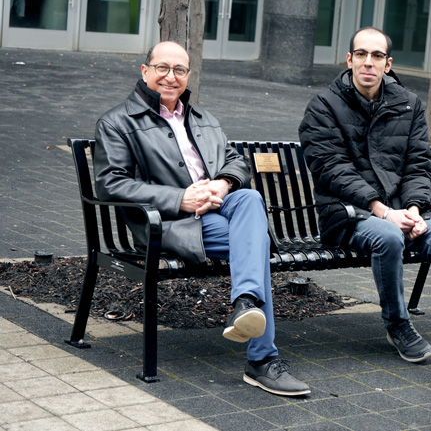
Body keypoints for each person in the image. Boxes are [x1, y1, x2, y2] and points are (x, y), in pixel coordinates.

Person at [93, 41, 310, 396]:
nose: (170, 76)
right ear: (145, 70)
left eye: (179, 70)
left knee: (249, 197)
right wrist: (181, 198)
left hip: (220, 210)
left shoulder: (203, 118)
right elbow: (110, 183)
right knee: (252, 246)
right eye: (162, 67)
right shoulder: (117, 122)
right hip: (171, 224)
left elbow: (235, 160)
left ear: (188, 76)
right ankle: (261, 359)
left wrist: (223, 185)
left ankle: (244, 305)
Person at [298, 27, 431, 382]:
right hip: (348, 215)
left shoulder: (408, 103)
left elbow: (418, 165)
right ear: (349, 60)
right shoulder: (323, 106)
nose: (368, 63)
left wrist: (415, 210)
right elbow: (332, 170)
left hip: (402, 212)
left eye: (377, 56)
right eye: (361, 54)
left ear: (387, 64)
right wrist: (384, 212)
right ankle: (397, 324)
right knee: (387, 238)